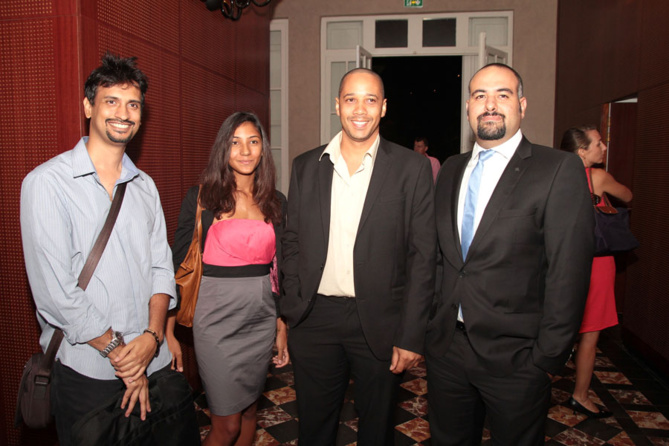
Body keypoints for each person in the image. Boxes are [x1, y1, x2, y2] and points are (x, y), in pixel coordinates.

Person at [20, 53, 199, 445]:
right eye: (111, 101)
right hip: (90, 374)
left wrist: (152, 337)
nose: (123, 113)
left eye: (133, 104)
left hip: (154, 362)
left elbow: (160, 270)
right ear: (89, 107)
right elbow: (56, 294)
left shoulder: (144, 187)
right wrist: (123, 356)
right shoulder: (47, 184)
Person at [425, 63, 594, 445]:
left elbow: (568, 272)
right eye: (480, 96)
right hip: (447, 351)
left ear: (522, 105)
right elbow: (440, 257)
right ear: (468, 107)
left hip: (518, 358)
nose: (490, 105)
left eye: (502, 95)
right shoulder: (450, 168)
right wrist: (431, 324)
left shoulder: (557, 169)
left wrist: (545, 360)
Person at [281, 68, 436, 445]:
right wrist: (292, 305)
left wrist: (411, 335)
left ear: (384, 107)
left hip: (381, 322)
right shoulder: (306, 166)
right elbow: (292, 240)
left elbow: (423, 257)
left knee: (376, 430)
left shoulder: (411, 168)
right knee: (314, 429)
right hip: (314, 319)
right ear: (338, 105)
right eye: (351, 99)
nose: (360, 109)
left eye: (370, 100)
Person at [170, 112, 289, 446]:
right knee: (227, 426)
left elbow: (280, 271)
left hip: (261, 320)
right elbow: (177, 268)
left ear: (263, 149)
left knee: (250, 412)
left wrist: (281, 325)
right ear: (223, 148)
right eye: (235, 143)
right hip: (215, 322)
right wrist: (167, 330)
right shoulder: (202, 199)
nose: (245, 151)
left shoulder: (276, 202)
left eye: (253, 142)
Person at [560, 125, 633, 418]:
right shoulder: (597, 177)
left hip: (563, 261)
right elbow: (627, 195)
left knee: (558, 328)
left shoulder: (555, 174)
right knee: (590, 335)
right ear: (582, 151)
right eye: (599, 143)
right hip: (595, 263)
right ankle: (580, 395)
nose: (603, 147)